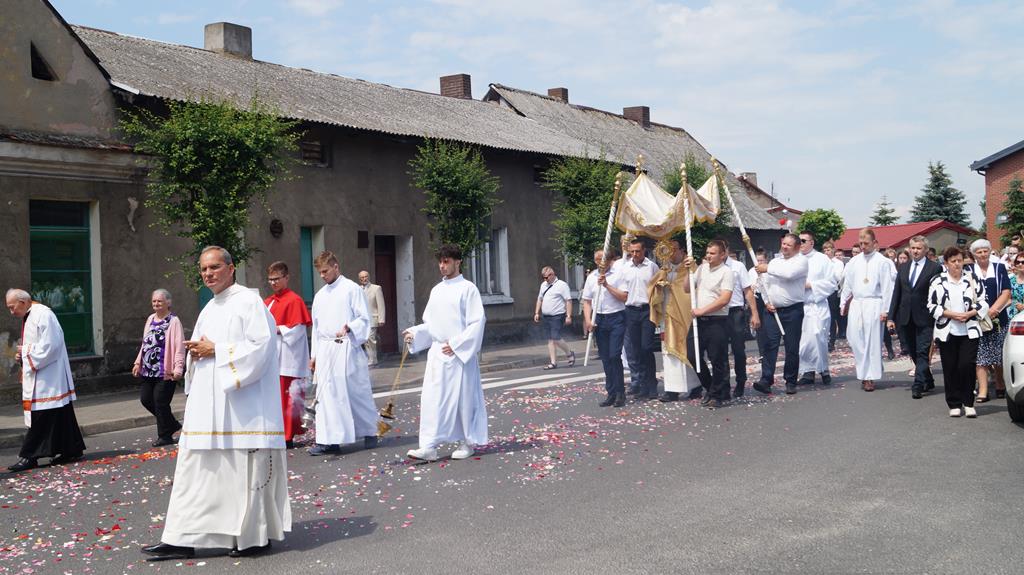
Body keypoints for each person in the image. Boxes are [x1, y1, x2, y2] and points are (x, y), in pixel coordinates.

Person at [144, 246, 289, 561]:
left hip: (242, 411)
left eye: (214, 267)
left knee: (244, 474)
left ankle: (253, 537)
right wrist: (197, 353)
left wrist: (218, 350)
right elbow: (203, 349)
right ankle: (181, 536)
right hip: (208, 410)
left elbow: (263, 348)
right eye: (203, 269)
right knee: (195, 471)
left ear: (231, 267)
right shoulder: (209, 307)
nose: (208, 274)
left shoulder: (249, 302)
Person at [403, 245, 487, 461]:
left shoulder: (468, 289)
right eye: (440, 261)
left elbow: (477, 322)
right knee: (432, 400)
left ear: (457, 262)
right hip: (438, 354)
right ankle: (429, 446)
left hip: (458, 355)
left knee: (462, 400)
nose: (442, 266)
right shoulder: (436, 290)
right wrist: (414, 333)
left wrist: (457, 344)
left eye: (446, 261)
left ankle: (466, 442)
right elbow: (430, 324)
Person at [6, 288, 86, 473]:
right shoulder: (31, 314)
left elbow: (51, 345)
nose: (12, 312)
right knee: (61, 415)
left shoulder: (43, 314)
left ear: (23, 302)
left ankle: (29, 456)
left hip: (48, 378)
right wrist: (23, 356)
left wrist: (25, 353)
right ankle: (71, 449)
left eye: (12, 307)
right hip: (43, 374)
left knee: (40, 417)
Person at [309, 252, 378, 455]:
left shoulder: (351, 289)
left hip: (347, 346)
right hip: (326, 349)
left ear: (336, 267)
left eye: (325, 271)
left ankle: (369, 431)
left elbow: (364, 319)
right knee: (327, 396)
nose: (322, 275)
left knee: (356, 393)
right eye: (319, 272)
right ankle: (330, 440)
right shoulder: (320, 295)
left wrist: (349, 326)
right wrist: (314, 355)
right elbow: (316, 328)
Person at [928, 247, 987, 417]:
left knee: (966, 365)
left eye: (959, 260)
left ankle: (968, 402)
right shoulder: (937, 281)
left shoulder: (973, 279)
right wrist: (951, 314)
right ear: (946, 263)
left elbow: (984, 301)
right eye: (953, 261)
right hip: (947, 330)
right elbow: (931, 306)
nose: (957, 264)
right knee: (950, 367)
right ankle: (954, 403)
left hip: (970, 330)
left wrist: (970, 313)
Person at [840, 229, 896, 392]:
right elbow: (847, 285)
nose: (863, 247)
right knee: (856, 339)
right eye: (861, 243)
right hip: (857, 304)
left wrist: (886, 310)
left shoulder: (882, 262)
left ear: (874, 243)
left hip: (874, 303)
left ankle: (869, 377)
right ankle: (863, 372)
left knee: (872, 341)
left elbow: (887, 287)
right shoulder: (853, 262)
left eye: (866, 243)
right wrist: (843, 303)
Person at [887, 236, 942, 399]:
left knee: (922, 351)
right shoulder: (903, 268)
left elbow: (937, 295)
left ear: (925, 250)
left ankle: (918, 385)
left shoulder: (935, 268)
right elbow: (897, 293)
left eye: (919, 248)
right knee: (912, 350)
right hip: (905, 317)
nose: (915, 251)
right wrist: (891, 317)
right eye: (913, 248)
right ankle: (928, 379)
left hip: (925, 317)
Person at [753, 234, 808, 395]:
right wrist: (766, 301)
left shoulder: (801, 261)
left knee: (791, 346)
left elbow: (789, 274)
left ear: (797, 247)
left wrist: (767, 268)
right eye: (783, 244)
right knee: (769, 344)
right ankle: (766, 379)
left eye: (788, 245)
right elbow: (763, 284)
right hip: (772, 311)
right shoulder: (775, 262)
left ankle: (790, 380)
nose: (784, 247)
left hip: (793, 311)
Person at [264, 262, 312, 448]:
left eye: (277, 279)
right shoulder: (268, 302)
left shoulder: (295, 300)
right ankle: (277, 432)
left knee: (289, 398)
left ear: (286, 278)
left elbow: (298, 331)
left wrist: (278, 329)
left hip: (288, 357)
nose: (273, 282)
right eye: (270, 279)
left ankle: (288, 436)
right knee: (274, 398)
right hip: (272, 357)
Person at [682, 239, 734, 408]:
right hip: (699, 320)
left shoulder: (727, 272)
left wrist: (703, 310)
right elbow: (687, 288)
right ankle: (711, 387)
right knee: (692, 356)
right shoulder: (702, 269)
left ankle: (717, 394)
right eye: (708, 253)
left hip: (716, 320)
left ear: (722, 255)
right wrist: (688, 271)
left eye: (713, 253)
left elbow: (724, 299)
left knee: (717, 359)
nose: (708, 256)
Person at [132, 289, 185, 447]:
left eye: (159, 301)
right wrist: (137, 363)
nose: (156, 304)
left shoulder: (173, 321)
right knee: (146, 400)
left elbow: (179, 347)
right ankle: (173, 425)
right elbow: (145, 344)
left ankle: (165, 436)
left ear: (168, 302)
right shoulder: (150, 319)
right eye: (154, 301)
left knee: (160, 401)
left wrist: (178, 369)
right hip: (148, 370)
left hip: (165, 371)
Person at [649, 240, 697, 402]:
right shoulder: (665, 269)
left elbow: (691, 290)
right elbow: (651, 287)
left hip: (684, 316)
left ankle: (695, 385)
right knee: (668, 353)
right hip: (667, 316)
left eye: (672, 250)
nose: (669, 254)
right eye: (665, 251)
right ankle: (672, 389)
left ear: (682, 250)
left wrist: (673, 286)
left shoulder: (691, 268)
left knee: (689, 351)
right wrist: (659, 287)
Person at [965, 239, 1011, 403]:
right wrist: (980, 312)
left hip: (998, 318)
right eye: (979, 252)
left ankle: (1000, 383)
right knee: (980, 355)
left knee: (999, 354)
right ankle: (983, 390)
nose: (983, 254)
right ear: (973, 254)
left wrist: (993, 310)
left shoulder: (999, 268)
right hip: (977, 319)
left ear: (990, 251)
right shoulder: (968, 270)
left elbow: (1006, 291)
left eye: (985, 251)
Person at [582, 248, 629, 408]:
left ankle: (620, 393)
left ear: (609, 260)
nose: (599, 262)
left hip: (616, 317)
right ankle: (611, 392)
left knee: (615, 355)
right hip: (600, 318)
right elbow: (587, 301)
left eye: (602, 259)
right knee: (606, 358)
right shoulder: (591, 277)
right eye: (596, 260)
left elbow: (623, 297)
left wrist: (607, 285)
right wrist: (588, 321)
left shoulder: (618, 274)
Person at [797, 231, 837, 386]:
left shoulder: (822, 259)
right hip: (800, 307)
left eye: (803, 240)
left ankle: (823, 369)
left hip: (817, 305)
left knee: (818, 337)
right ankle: (807, 372)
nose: (800, 243)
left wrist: (811, 285)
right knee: (804, 342)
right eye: (798, 240)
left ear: (811, 242)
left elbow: (832, 283)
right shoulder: (794, 259)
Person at [621, 239, 660, 399]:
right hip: (631, 310)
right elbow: (623, 290)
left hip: (646, 310)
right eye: (632, 251)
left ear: (644, 250)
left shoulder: (651, 266)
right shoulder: (626, 268)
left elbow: (658, 287)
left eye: (637, 251)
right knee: (635, 350)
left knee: (646, 348)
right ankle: (643, 385)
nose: (634, 254)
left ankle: (652, 384)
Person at [723, 243, 760, 397]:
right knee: (719, 351)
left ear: (725, 251)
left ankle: (740, 380)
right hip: (718, 313)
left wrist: (754, 313)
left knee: (738, 349)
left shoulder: (737, 266)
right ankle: (723, 384)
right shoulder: (709, 267)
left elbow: (748, 291)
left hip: (735, 311)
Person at [533, 265, 574, 369]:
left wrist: (568, 316)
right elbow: (539, 299)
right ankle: (553, 362)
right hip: (546, 316)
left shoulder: (562, 285)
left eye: (546, 277)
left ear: (552, 274)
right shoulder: (543, 285)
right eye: (543, 277)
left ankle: (569, 353)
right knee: (550, 339)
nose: (545, 279)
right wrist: (537, 312)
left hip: (558, 315)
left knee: (555, 337)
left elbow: (568, 301)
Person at [358, 271, 386, 367]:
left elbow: (381, 304)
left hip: (373, 317)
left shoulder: (376, 288)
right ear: (359, 279)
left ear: (368, 277)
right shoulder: (357, 289)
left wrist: (381, 318)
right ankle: (370, 358)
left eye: (366, 277)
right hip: (362, 319)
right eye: (362, 277)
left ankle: (373, 359)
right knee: (365, 339)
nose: (364, 279)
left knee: (371, 338)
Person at [823, 241, 845, 351]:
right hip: (822, 291)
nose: (827, 252)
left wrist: (829, 267)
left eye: (828, 250)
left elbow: (838, 277)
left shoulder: (838, 263)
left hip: (832, 291)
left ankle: (831, 341)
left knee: (832, 316)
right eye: (825, 250)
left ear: (833, 250)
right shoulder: (821, 261)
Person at [748, 248, 770, 360]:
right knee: (759, 327)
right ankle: (762, 352)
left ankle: (769, 350)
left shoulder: (769, 270)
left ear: (766, 260)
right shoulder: (751, 271)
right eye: (757, 260)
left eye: (761, 260)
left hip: (768, 299)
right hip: (757, 298)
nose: (759, 263)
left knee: (768, 326)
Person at [1008, 251, 1024, 316]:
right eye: (1018, 262)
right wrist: (1015, 303)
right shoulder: (1010, 280)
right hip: (1014, 316)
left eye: (1023, 262)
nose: (1020, 264)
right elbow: (1006, 298)